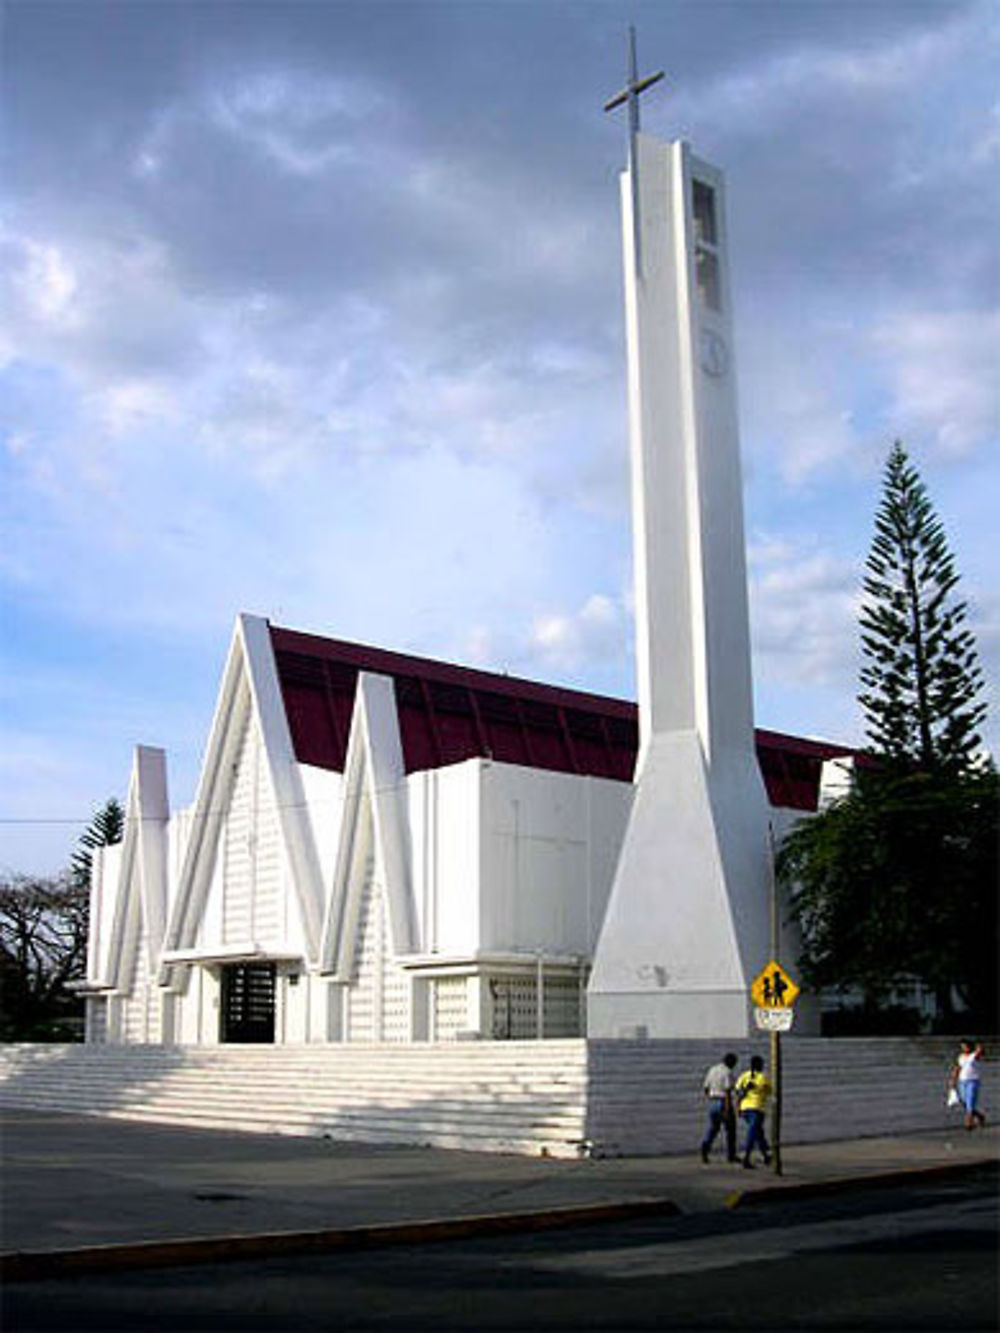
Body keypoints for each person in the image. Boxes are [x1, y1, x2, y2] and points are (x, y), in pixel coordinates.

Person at [735, 1054, 773, 1169]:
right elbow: (769, 1092)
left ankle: (766, 1155)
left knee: (758, 1132)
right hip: (757, 1108)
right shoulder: (763, 1078)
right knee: (753, 1133)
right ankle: (747, 1157)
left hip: (745, 1108)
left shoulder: (744, 1076)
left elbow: (738, 1091)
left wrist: (738, 1108)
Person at [700, 1052, 738, 1163]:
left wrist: (710, 1099)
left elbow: (706, 1087)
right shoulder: (727, 1072)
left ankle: (705, 1148)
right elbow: (727, 1092)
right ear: (731, 1063)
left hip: (713, 1102)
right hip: (723, 1101)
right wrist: (726, 1109)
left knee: (713, 1128)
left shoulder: (712, 1070)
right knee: (730, 1130)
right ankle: (731, 1155)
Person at [950, 1040, 986, 1131]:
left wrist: (978, 1044)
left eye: (965, 1046)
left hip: (973, 1081)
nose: (963, 1048)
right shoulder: (961, 1057)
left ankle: (969, 1123)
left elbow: (980, 1051)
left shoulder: (973, 1056)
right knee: (964, 1101)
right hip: (962, 1081)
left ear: (970, 1047)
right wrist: (953, 1080)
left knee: (970, 1101)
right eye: (962, 1046)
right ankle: (979, 1116)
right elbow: (957, 1068)